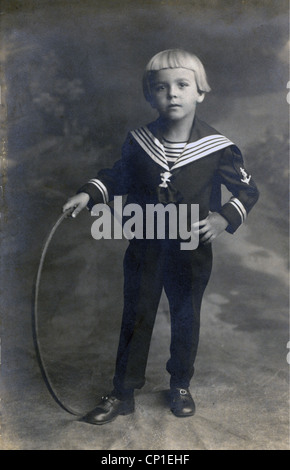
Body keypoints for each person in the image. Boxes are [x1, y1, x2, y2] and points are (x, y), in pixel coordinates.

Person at [63, 49, 259, 424]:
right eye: (161, 87)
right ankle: (123, 392)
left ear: (200, 92)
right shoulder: (139, 142)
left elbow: (248, 191)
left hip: (191, 249)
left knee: (186, 316)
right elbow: (118, 175)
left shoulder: (217, 147)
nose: (172, 94)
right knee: (135, 316)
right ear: (149, 95)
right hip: (146, 245)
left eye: (183, 85)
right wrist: (88, 193)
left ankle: (180, 383)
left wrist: (222, 219)